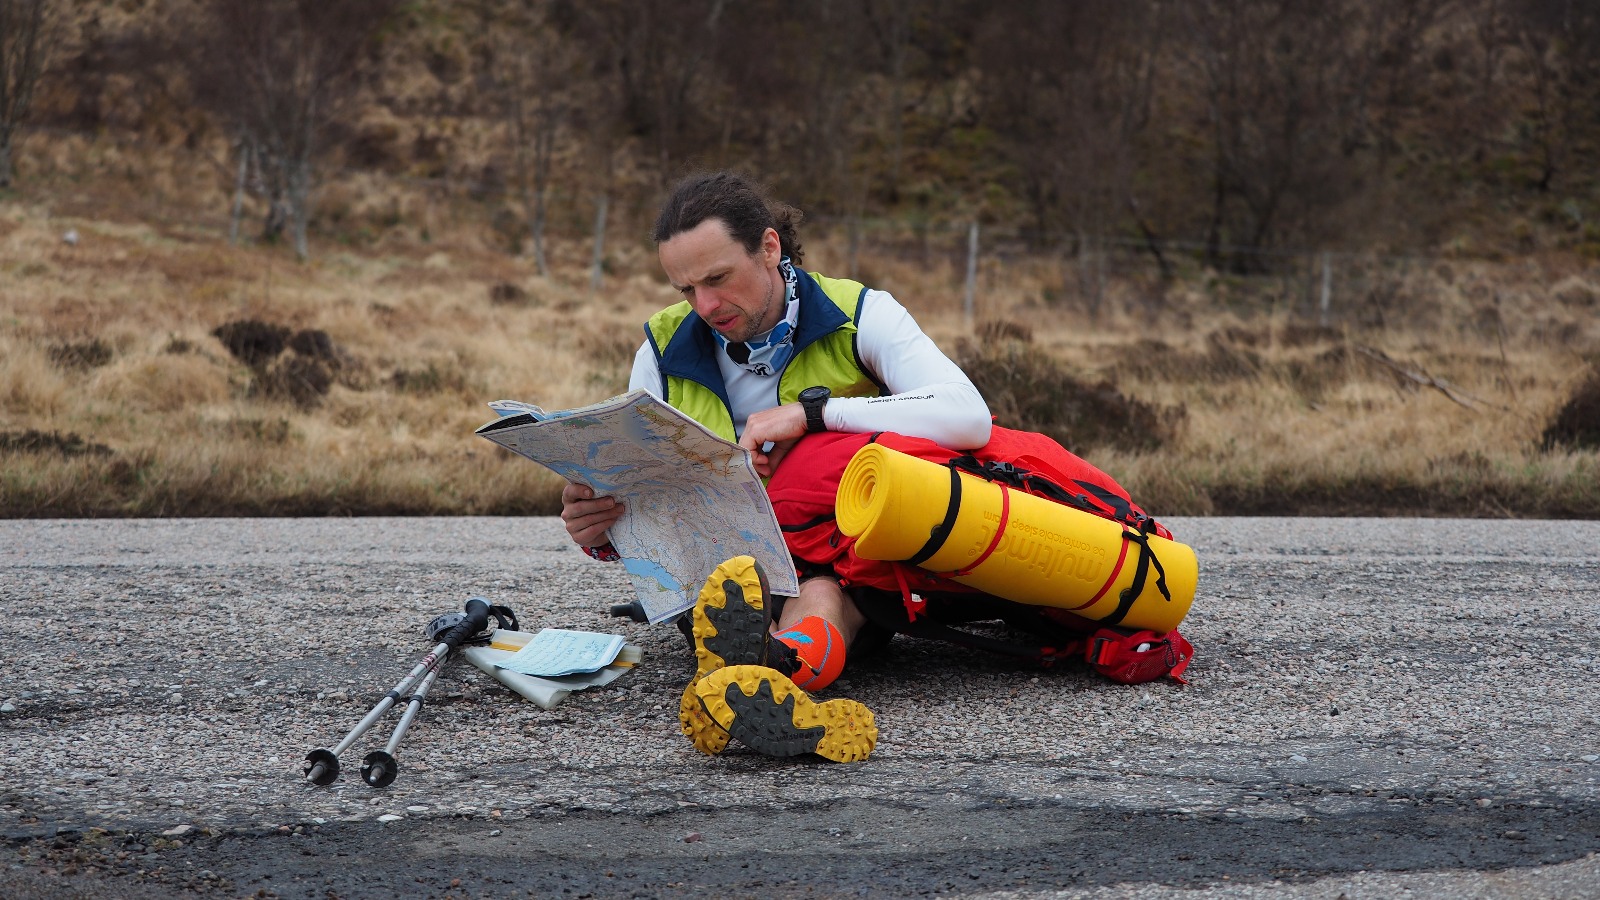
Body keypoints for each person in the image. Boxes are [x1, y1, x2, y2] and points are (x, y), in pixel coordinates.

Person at [559, 170, 991, 762]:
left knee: (826, 587)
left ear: (769, 247)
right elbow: (647, 497)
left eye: (717, 278)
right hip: (726, 565)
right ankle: (772, 672)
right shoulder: (660, 351)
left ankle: (764, 668)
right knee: (742, 588)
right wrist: (601, 526)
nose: (705, 306)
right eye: (686, 289)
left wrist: (814, 416)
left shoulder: (860, 313)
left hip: (850, 553)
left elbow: (969, 416)